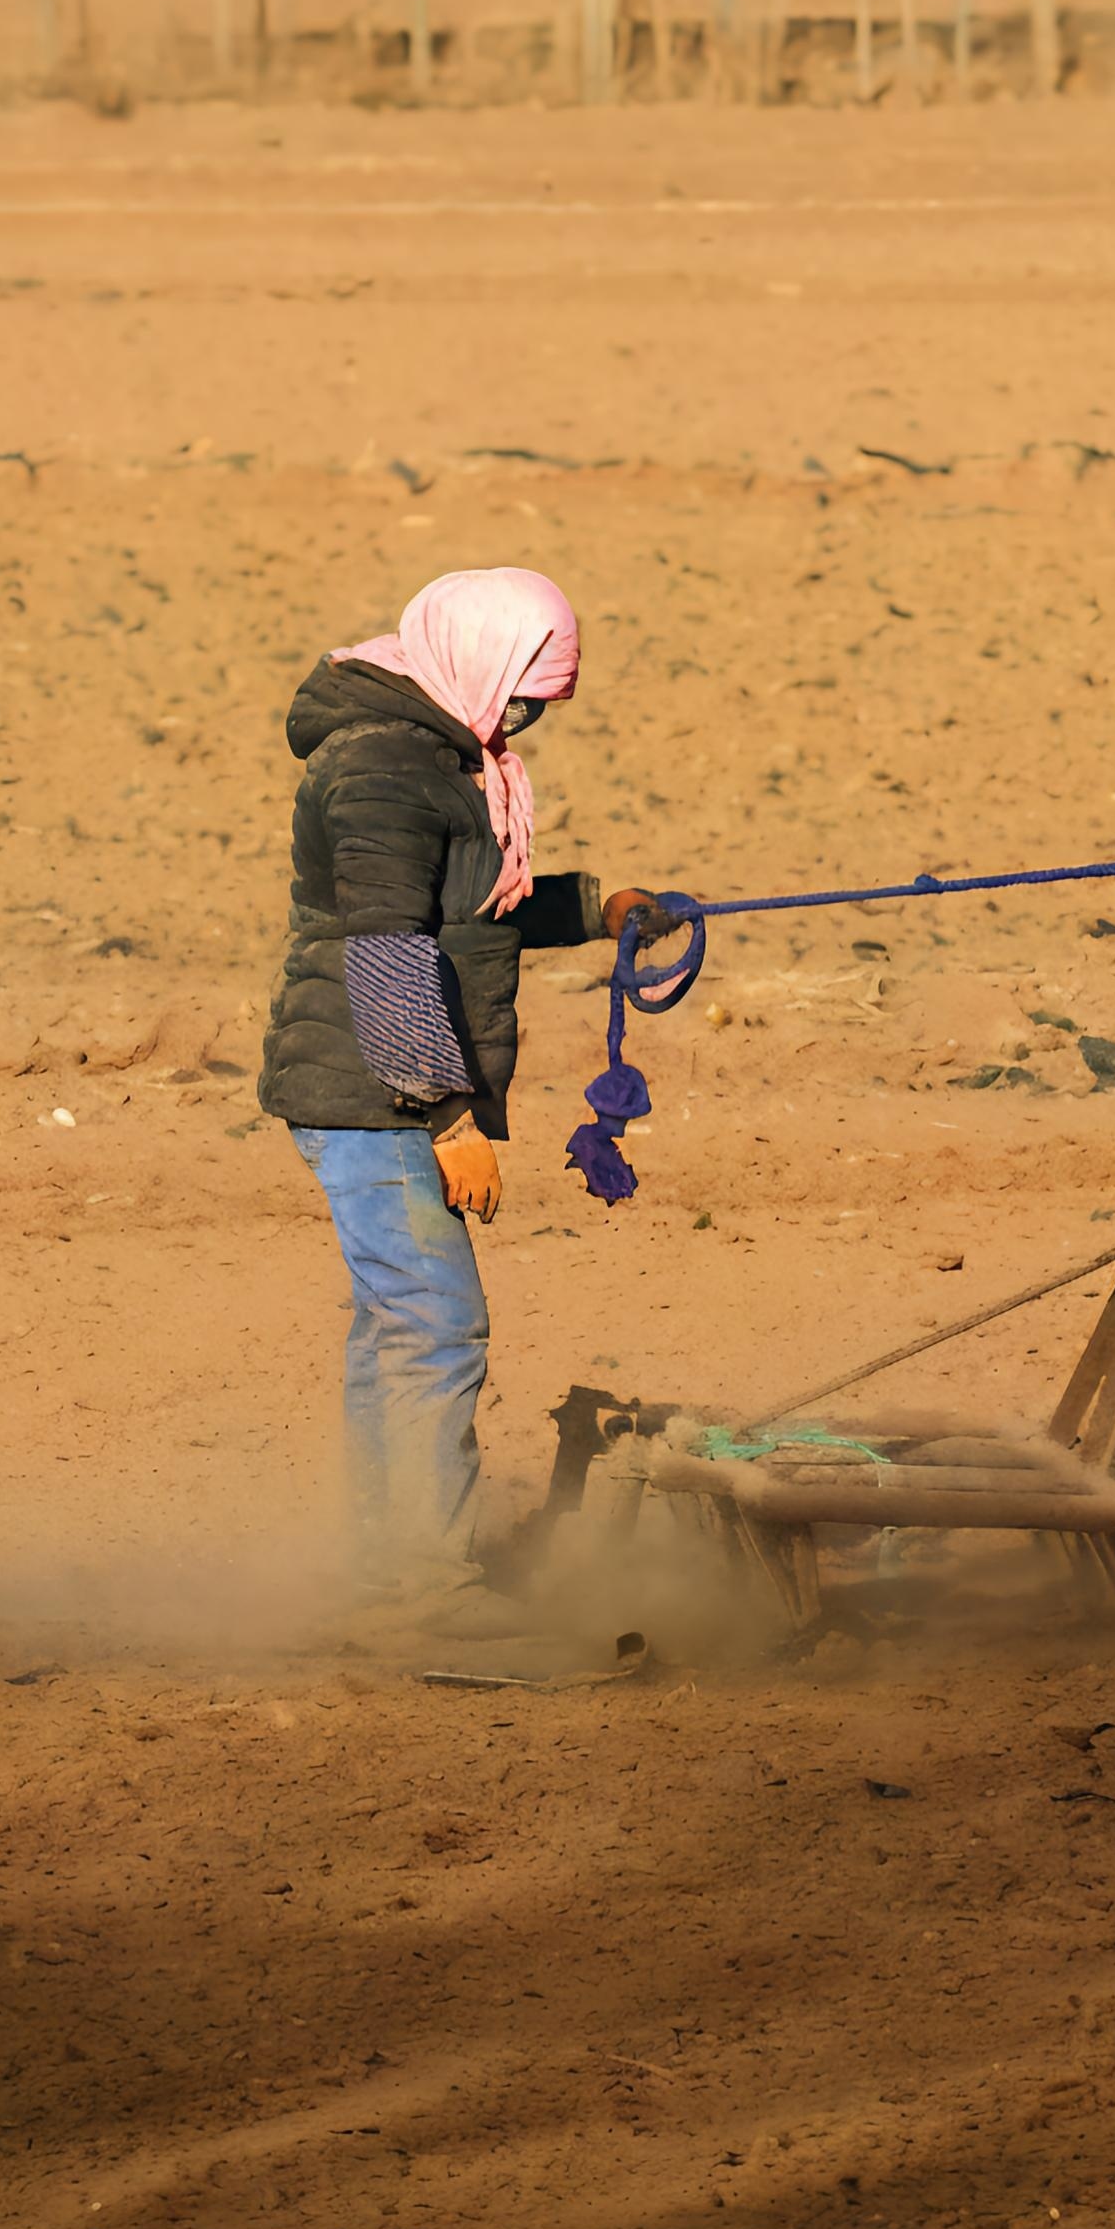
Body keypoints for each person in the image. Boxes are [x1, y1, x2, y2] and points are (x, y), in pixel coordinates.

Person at [257, 566, 658, 1604]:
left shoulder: (441, 752)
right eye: (527, 694)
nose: (528, 716)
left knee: (396, 1327)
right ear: (481, 665)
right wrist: (445, 1120)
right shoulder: (386, 768)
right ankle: (424, 1587)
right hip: (375, 1092)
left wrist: (594, 909)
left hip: (377, 1085)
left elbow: (464, 909)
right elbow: (389, 949)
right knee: (437, 1328)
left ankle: (379, 1559)